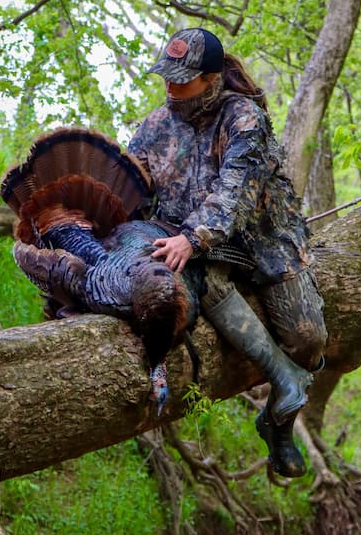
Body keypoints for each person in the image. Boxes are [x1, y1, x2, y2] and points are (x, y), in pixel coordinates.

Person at [128, 27, 327, 478]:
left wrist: (193, 237)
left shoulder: (244, 120)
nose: (171, 85)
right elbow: (133, 185)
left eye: (183, 77)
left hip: (261, 242)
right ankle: (285, 390)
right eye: (168, 75)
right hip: (198, 249)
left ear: (211, 78)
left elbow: (234, 195)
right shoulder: (155, 126)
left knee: (309, 339)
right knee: (206, 281)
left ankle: (278, 419)